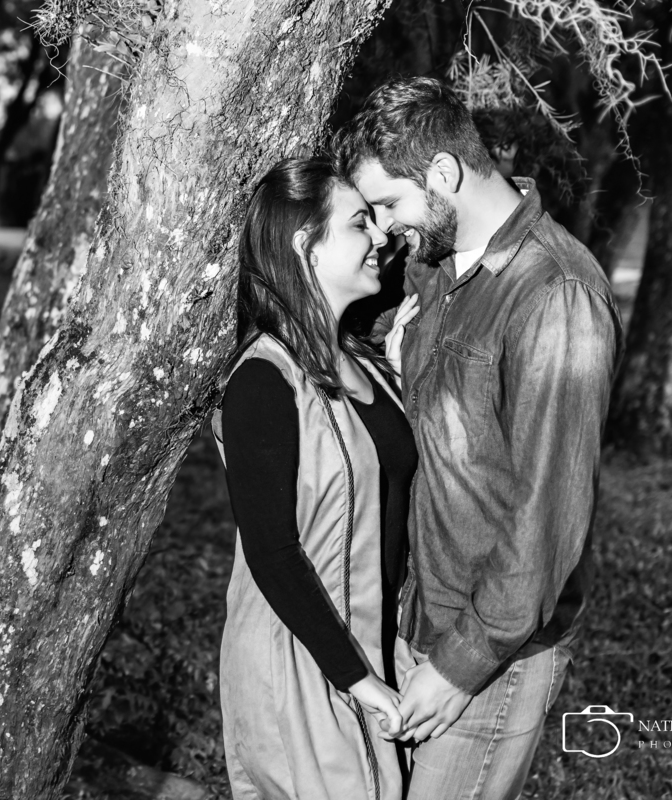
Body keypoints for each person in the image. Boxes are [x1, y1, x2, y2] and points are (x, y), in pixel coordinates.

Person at [333, 77, 624, 799]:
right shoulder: (435, 266)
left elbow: (547, 514)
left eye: (389, 204)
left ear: (443, 172)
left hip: (494, 653)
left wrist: (459, 666)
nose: (384, 228)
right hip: (418, 617)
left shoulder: (555, 294)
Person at [214, 156, 420, 800]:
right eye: (359, 223)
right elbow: (272, 553)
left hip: (374, 644)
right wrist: (358, 680)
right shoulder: (263, 380)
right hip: (302, 658)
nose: (380, 235)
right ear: (306, 245)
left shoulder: (367, 364)